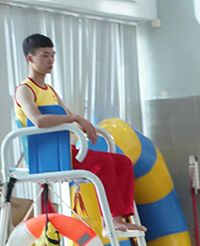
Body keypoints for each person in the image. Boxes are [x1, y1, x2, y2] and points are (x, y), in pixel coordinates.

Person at [13, 34, 142, 233]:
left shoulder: (51, 91)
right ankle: (110, 221)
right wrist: (73, 119)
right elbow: (38, 121)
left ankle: (118, 217)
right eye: (45, 56)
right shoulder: (25, 90)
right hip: (43, 156)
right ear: (30, 58)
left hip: (62, 151)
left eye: (53, 56)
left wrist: (83, 123)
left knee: (122, 162)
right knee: (104, 163)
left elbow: (68, 115)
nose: (50, 61)